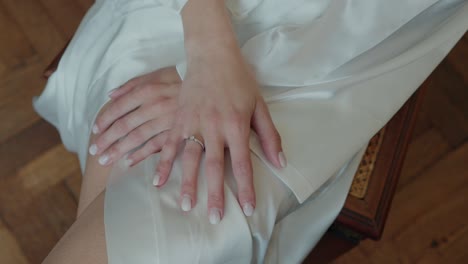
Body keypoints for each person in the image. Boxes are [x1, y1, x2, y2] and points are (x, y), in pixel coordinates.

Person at [34, 0, 468, 263]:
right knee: (133, 125)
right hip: (192, 12)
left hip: (335, 51)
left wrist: (232, 79)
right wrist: (208, 49)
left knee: (178, 202)